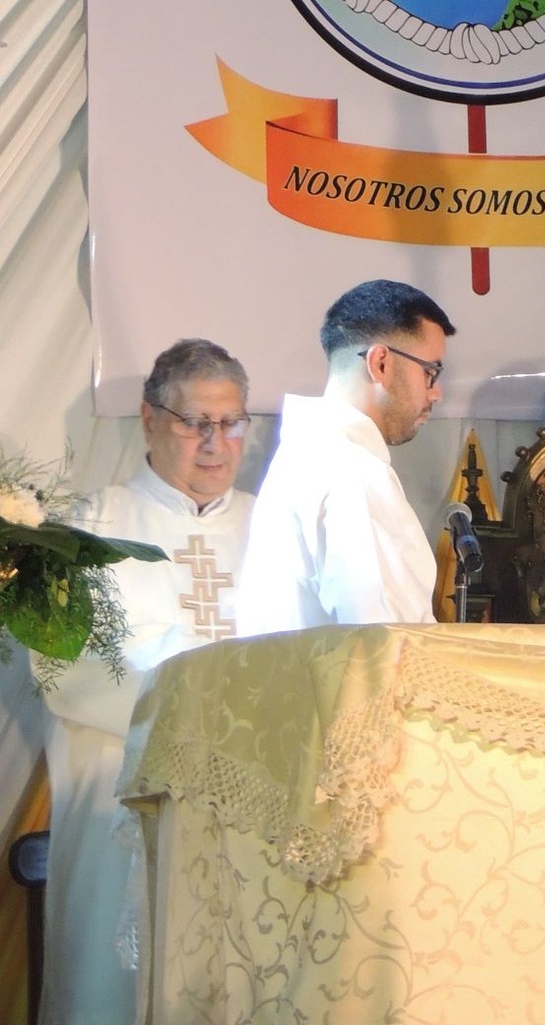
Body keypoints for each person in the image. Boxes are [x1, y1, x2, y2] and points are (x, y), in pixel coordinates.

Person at [40, 339, 255, 1025]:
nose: (215, 444)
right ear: (149, 419)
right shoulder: (88, 528)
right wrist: (191, 699)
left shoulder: (276, 529)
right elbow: (63, 670)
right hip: (124, 793)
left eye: (231, 422)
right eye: (196, 423)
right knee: (112, 991)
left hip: (249, 797)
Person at [235, 279, 453, 636]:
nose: (437, 393)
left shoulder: (305, 455)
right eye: (430, 372)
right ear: (380, 363)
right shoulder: (354, 473)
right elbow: (383, 641)